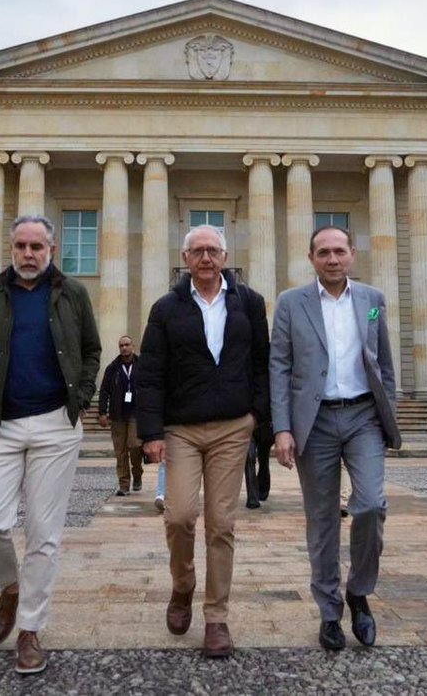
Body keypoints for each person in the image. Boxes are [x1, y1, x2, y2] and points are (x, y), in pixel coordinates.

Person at [0, 215, 102, 676]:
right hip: (0, 424)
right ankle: (11, 588)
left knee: (44, 535)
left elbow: (92, 350)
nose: (28, 254)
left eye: (37, 246)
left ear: (51, 250)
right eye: (20, 245)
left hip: (57, 424)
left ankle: (30, 629)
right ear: (11, 249)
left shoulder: (73, 294)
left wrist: (79, 397)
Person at [137, 224, 271, 659]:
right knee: (178, 516)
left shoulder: (248, 303)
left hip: (233, 427)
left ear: (225, 256)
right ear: (186, 258)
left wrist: (256, 417)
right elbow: (151, 373)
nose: (206, 258)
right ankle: (183, 586)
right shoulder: (166, 308)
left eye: (213, 250)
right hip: (181, 428)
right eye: (198, 251)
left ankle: (216, 617)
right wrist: (151, 432)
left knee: (221, 523)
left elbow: (262, 363)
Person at [271, 225, 401, 651]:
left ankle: (359, 593)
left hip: (364, 415)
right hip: (317, 420)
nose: (332, 259)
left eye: (339, 251)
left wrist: (389, 413)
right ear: (311, 258)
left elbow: (382, 361)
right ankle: (329, 612)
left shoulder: (371, 300)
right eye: (323, 252)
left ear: (352, 256)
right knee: (322, 520)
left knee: (370, 505)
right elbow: (280, 367)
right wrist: (282, 428)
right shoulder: (291, 304)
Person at [98, 335, 142, 496]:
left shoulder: (141, 365)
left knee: (135, 445)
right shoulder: (112, 368)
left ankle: (137, 474)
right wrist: (102, 412)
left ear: (132, 346)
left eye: (127, 344)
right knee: (120, 451)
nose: (124, 347)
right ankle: (124, 484)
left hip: (136, 413)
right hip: (118, 415)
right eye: (121, 345)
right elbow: (104, 391)